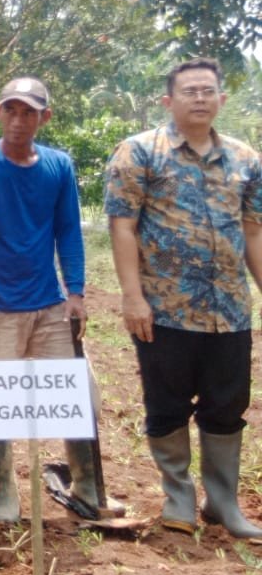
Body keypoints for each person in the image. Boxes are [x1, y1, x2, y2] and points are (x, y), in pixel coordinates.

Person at [106, 58, 262, 539]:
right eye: (189, 90)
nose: (199, 98)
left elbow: (253, 231)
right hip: (164, 310)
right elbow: (122, 227)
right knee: (166, 404)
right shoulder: (139, 153)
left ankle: (222, 503)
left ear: (221, 99)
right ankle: (178, 497)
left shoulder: (245, 160)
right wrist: (133, 298)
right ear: (168, 100)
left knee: (226, 405)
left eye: (207, 90)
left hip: (229, 311)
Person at [0, 76, 104, 523]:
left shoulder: (58, 166)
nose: (19, 120)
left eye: (29, 112)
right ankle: (4, 492)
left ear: (44, 118)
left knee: (74, 395)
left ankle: (86, 483)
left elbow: (68, 230)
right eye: (11, 110)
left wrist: (75, 291)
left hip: (48, 303)